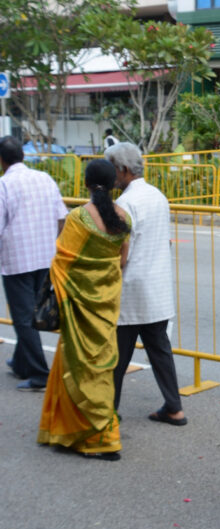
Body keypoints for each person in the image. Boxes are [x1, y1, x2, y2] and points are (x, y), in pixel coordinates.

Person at [37, 160, 130, 459]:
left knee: (74, 366)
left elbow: (62, 262)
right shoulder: (123, 218)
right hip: (105, 306)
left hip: (78, 307)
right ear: (115, 184)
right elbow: (121, 262)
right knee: (101, 369)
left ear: (87, 184)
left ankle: (71, 432)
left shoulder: (78, 218)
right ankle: (104, 435)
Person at [104, 142, 187, 426]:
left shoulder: (125, 204)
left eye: (113, 170)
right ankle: (174, 407)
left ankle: (108, 411)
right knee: (160, 350)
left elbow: (122, 253)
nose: (110, 176)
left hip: (132, 291)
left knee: (117, 355)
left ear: (124, 170)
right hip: (157, 288)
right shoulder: (157, 196)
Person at [0, 136, 67, 390]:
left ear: (1, 160)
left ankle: (40, 373)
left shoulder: (4, 185)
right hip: (44, 256)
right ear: (23, 156)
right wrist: (54, 243)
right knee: (31, 312)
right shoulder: (44, 179)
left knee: (23, 317)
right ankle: (21, 363)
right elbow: (62, 217)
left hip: (17, 260)